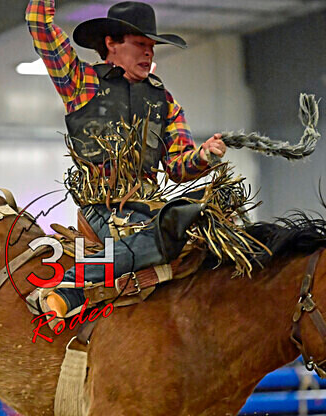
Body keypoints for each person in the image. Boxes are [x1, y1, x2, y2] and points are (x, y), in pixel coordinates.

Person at [26, 0, 227, 318]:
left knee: (204, 233)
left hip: (149, 206)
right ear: (111, 44)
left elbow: (177, 166)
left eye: (152, 47)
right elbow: (40, 25)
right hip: (103, 208)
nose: (149, 53)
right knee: (165, 238)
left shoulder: (164, 100)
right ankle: (70, 287)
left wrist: (202, 156)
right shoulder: (83, 82)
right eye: (140, 45)